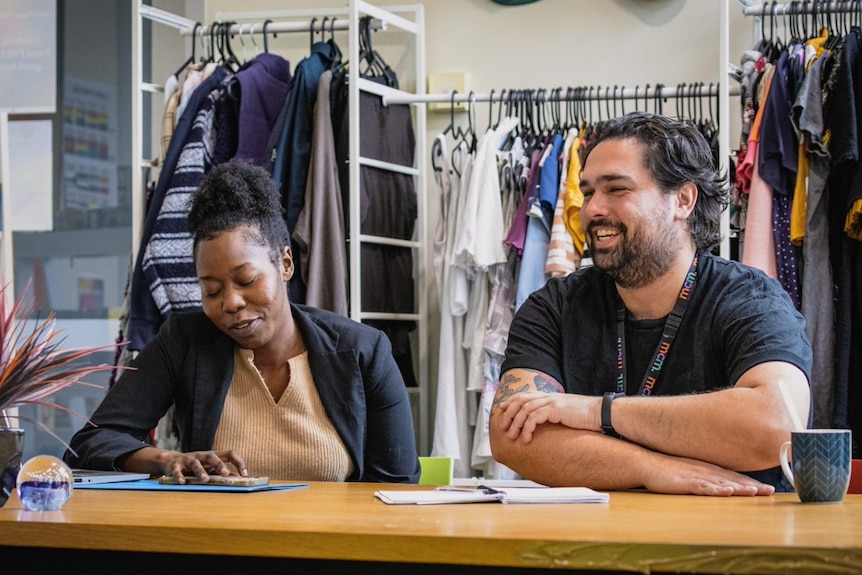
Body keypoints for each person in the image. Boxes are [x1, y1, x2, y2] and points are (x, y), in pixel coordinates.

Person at [490, 112, 812, 496]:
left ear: (683, 199)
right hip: (590, 547)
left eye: (617, 189)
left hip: (732, 543)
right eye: (589, 191)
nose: (591, 209)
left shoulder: (749, 299)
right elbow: (511, 436)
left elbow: (775, 425)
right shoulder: (554, 306)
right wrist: (651, 468)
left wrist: (596, 412)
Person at [66, 160, 420, 484]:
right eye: (212, 290)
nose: (231, 303)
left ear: (285, 264)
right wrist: (167, 459)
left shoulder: (362, 352)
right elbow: (91, 443)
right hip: (218, 548)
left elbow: (396, 489)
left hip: (331, 549)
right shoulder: (185, 341)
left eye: (247, 280)